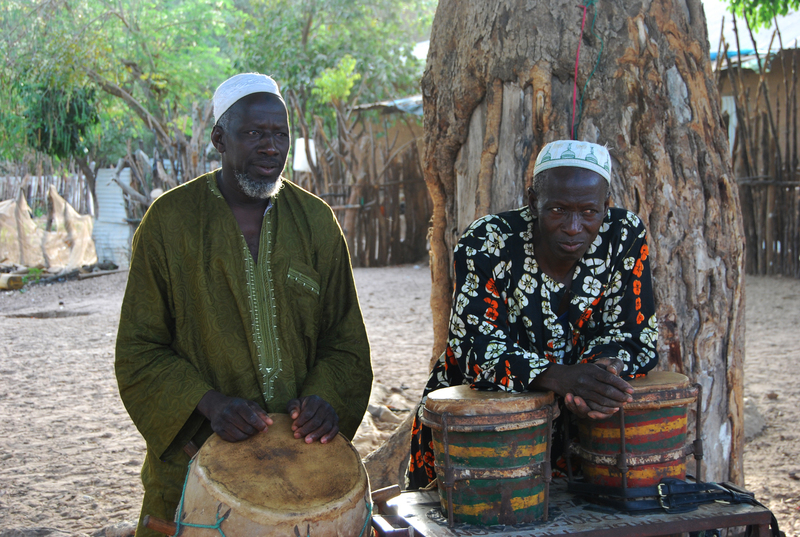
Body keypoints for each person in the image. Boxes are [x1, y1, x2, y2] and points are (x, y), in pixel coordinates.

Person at [115, 73, 373, 536]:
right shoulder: (169, 223)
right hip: (197, 465)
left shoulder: (316, 220)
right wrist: (210, 405)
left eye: (279, 134)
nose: (270, 147)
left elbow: (345, 341)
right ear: (220, 137)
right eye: (254, 133)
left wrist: (324, 400)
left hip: (300, 470)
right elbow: (140, 349)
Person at [407, 140, 658, 489]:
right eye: (557, 209)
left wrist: (602, 374)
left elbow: (635, 333)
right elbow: (473, 347)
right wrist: (559, 377)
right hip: (478, 429)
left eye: (589, 211)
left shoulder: (623, 236)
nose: (573, 227)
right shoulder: (487, 242)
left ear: (606, 205)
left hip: (581, 429)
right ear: (532, 201)